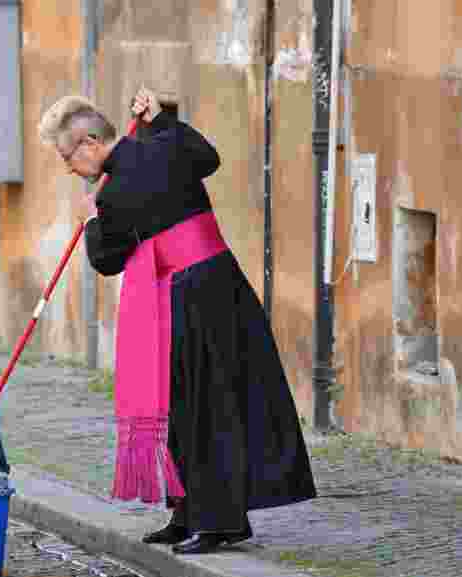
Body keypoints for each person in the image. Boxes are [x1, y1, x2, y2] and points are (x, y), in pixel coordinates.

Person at [37, 89, 317, 555]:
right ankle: (188, 512)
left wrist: (91, 221)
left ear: (88, 143)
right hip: (216, 285)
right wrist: (164, 120)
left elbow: (107, 259)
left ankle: (219, 521)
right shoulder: (161, 145)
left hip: (189, 295)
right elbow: (207, 157)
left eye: (68, 157)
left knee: (200, 407)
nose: (70, 168)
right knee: (189, 406)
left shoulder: (116, 191)